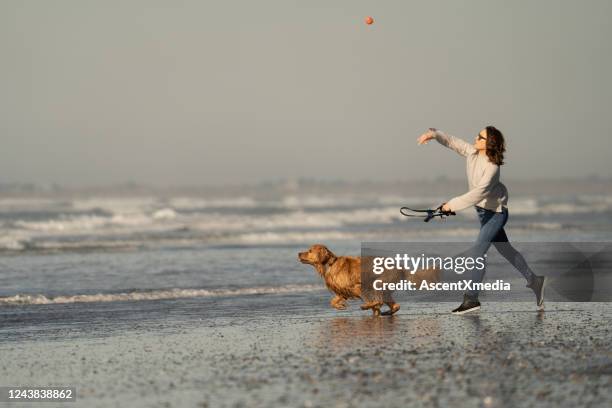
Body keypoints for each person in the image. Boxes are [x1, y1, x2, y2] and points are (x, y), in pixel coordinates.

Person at [417, 126, 546, 314]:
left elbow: (478, 193)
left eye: (480, 137)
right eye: (477, 135)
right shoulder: (471, 153)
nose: (475, 138)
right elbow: (452, 141)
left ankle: (471, 299)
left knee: (477, 253)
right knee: (506, 250)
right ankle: (535, 282)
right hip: (482, 213)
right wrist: (434, 134)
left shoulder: (492, 168)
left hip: (496, 214)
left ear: (490, 143)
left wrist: (450, 206)